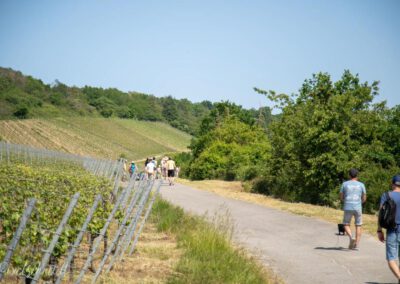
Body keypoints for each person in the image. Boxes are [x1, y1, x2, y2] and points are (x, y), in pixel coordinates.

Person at [377, 175, 400, 281]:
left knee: (391, 258)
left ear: (392, 184)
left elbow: (381, 214)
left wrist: (379, 230)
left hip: (392, 230)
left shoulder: (387, 195)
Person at [339, 168, 367, 249]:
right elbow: (364, 197)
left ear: (349, 175)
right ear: (357, 175)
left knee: (346, 224)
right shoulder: (361, 185)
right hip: (358, 206)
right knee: (358, 225)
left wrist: (344, 200)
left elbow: (341, 195)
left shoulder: (344, 184)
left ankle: (351, 237)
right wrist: (360, 202)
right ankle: (356, 245)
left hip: (347, 206)